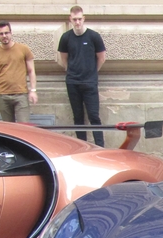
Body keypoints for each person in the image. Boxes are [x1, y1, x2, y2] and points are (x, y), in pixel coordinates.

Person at [58, 5, 106, 146]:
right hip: (73, 82)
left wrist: (91, 71)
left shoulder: (93, 36)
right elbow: (63, 58)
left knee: (94, 116)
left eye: (79, 19)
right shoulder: (66, 37)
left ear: (83, 18)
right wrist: (71, 71)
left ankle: (99, 147)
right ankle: (81, 147)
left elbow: (101, 58)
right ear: (70, 19)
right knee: (78, 117)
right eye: (74, 19)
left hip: (90, 82)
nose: (77, 22)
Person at [0, 21, 38, 122]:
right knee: (9, 131)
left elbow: (31, 71)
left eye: (6, 33)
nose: (4, 36)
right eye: (1, 34)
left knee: (23, 128)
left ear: (11, 33)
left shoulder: (23, 49)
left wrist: (33, 90)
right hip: (3, 96)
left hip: (21, 95)